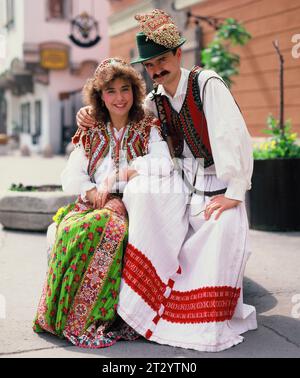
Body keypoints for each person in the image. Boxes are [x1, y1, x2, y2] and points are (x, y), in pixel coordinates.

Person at [76, 9, 257, 352]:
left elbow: (233, 135)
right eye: (150, 64)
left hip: (217, 176)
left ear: (178, 54)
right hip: (179, 177)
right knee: (142, 193)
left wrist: (235, 192)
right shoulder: (154, 100)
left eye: (162, 59)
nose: (157, 68)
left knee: (220, 225)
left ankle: (199, 311)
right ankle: (146, 303)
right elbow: (121, 110)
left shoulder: (207, 84)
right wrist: (87, 113)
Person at [33, 57, 174, 349]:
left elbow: (163, 162)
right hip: (94, 202)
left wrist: (125, 173)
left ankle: (95, 317)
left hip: (135, 205)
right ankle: (65, 315)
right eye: (111, 91)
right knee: (79, 228)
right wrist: (92, 192)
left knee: (108, 226)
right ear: (100, 96)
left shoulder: (148, 127)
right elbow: (70, 176)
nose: (119, 98)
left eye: (125, 89)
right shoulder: (91, 129)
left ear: (135, 91)